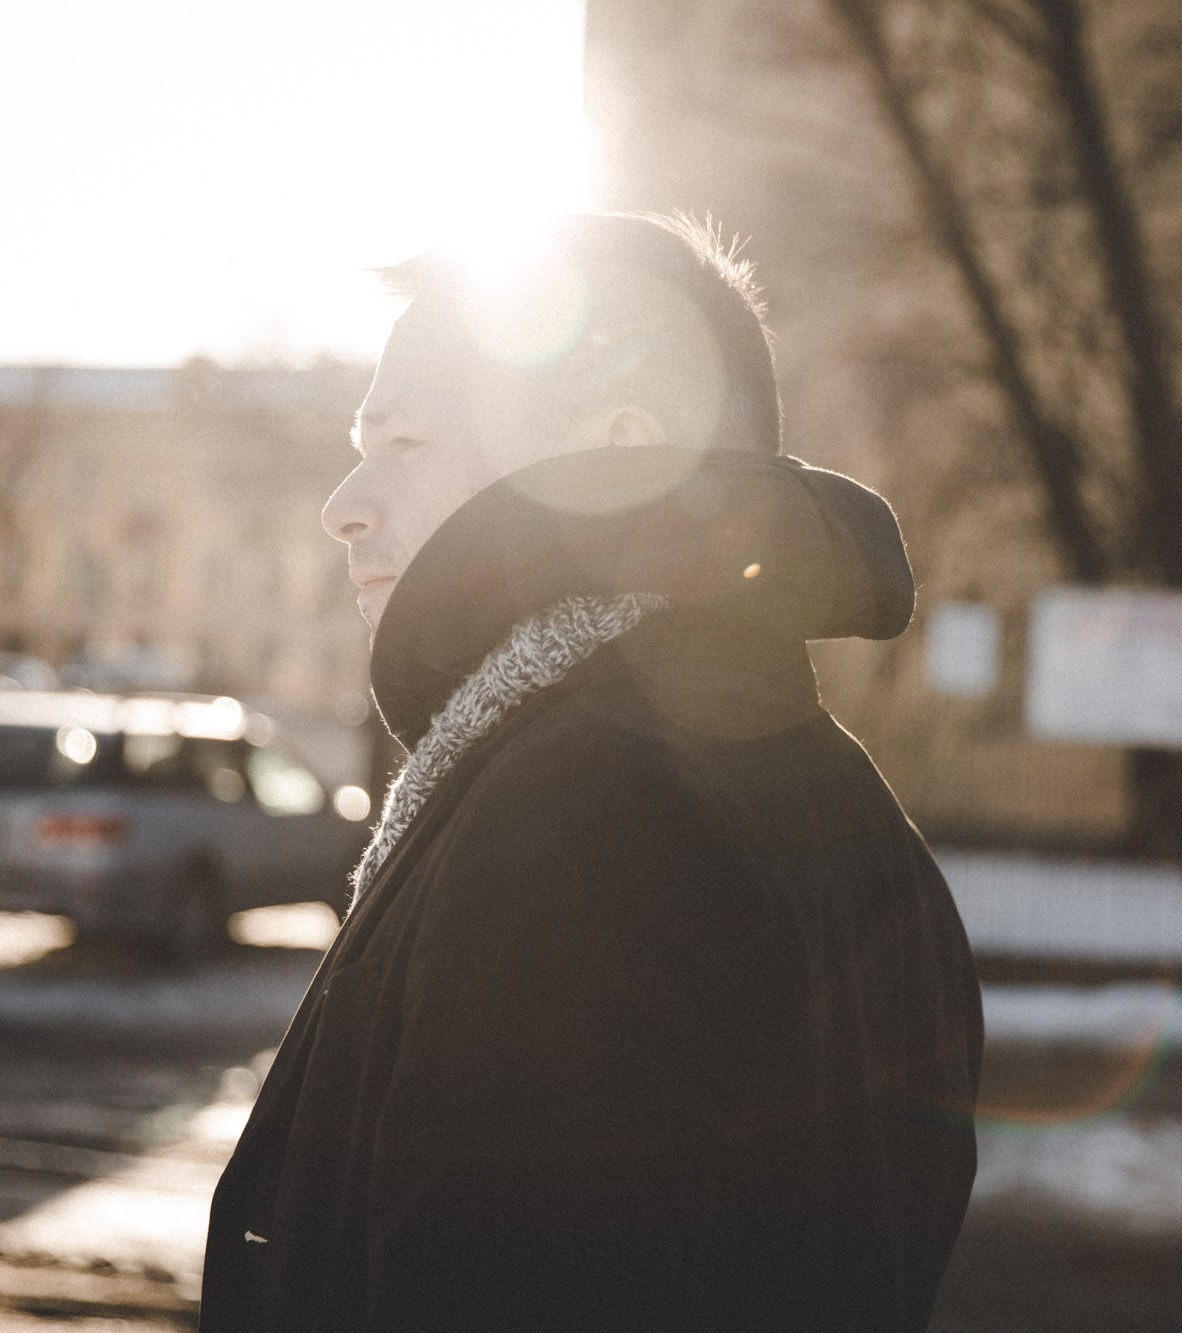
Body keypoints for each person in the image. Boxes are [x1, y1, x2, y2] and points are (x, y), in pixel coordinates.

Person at [200, 213, 983, 1331]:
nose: (343, 505)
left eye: (404, 444)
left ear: (614, 459)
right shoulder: (854, 821)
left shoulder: (581, 824)